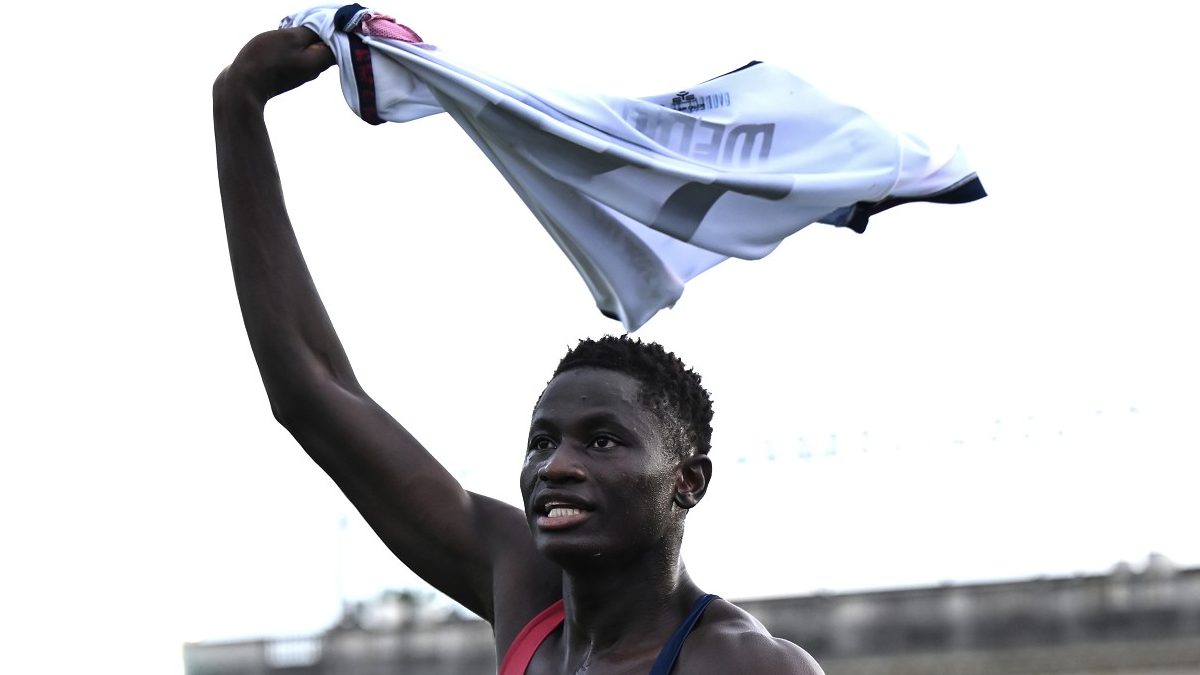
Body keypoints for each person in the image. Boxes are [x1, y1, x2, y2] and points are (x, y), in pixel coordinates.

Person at [214, 26, 825, 674]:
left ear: (688, 481)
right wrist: (237, 106)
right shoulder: (523, 585)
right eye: (542, 441)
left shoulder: (743, 663)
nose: (554, 465)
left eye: (601, 440)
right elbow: (313, 390)